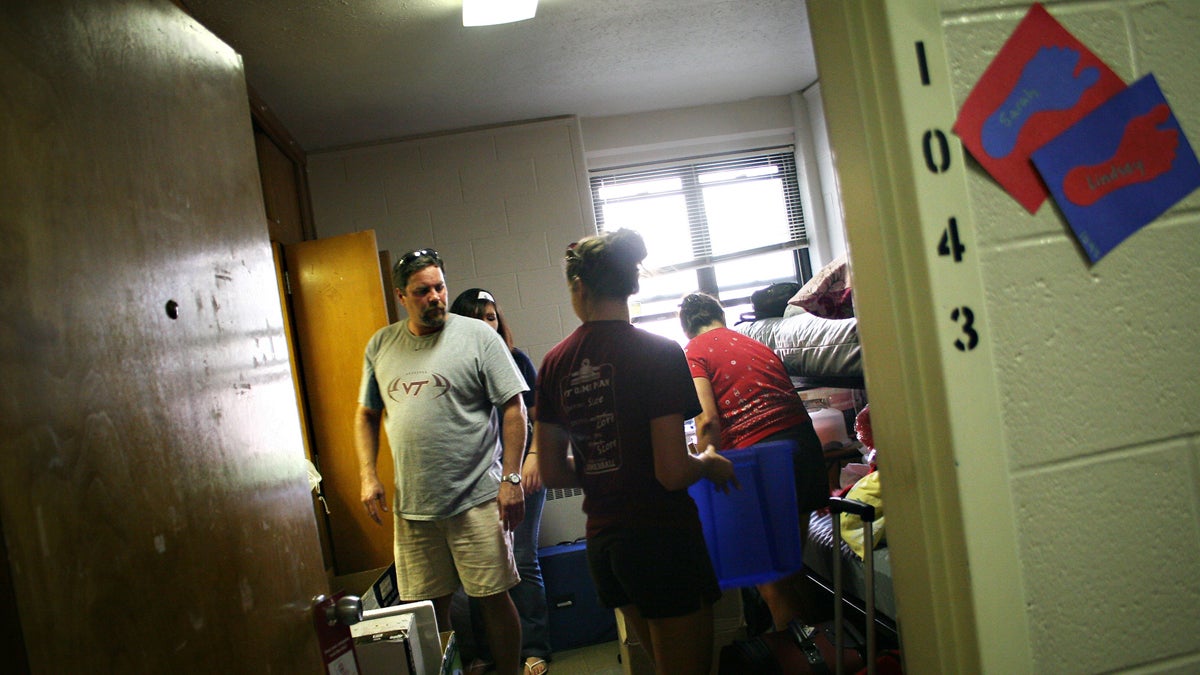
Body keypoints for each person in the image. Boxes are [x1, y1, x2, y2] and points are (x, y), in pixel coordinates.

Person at [534, 229, 738, 675]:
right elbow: (670, 471)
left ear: (579, 286)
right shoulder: (660, 353)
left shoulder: (555, 363)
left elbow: (550, 471)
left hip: (606, 546)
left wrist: (602, 471)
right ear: (630, 284)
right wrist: (707, 463)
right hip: (660, 538)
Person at [355, 249, 528, 675]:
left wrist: (511, 476)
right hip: (414, 505)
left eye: (439, 287)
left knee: (492, 595)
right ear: (401, 296)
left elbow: (514, 407)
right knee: (429, 607)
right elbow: (365, 414)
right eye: (422, 291)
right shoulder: (381, 345)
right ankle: (455, 668)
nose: (434, 297)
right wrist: (367, 474)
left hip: (476, 496)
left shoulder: (477, 336)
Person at [678, 291, 830, 630]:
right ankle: (823, 651)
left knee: (769, 577)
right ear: (720, 315)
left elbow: (706, 420)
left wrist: (707, 461)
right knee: (789, 567)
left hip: (764, 460)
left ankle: (797, 660)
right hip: (804, 451)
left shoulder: (694, 351)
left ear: (688, 328)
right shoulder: (756, 344)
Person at [449, 288, 552, 675]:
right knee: (479, 574)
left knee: (523, 560)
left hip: (521, 473)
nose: (487, 325)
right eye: (477, 318)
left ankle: (534, 649)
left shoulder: (516, 361)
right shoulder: (454, 369)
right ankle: (485, 655)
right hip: (476, 483)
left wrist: (534, 458)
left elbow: (538, 418)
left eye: (491, 316)